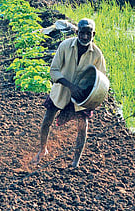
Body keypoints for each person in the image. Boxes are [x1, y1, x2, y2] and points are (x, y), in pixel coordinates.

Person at [31, 18, 106, 167]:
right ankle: (42, 149)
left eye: (88, 34)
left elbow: (101, 79)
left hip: (81, 97)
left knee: (83, 126)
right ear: (77, 32)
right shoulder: (65, 46)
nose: (85, 37)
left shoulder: (97, 54)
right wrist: (70, 86)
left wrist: (91, 97)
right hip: (62, 91)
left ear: (94, 34)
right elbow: (54, 70)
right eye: (82, 33)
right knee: (47, 121)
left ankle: (75, 162)